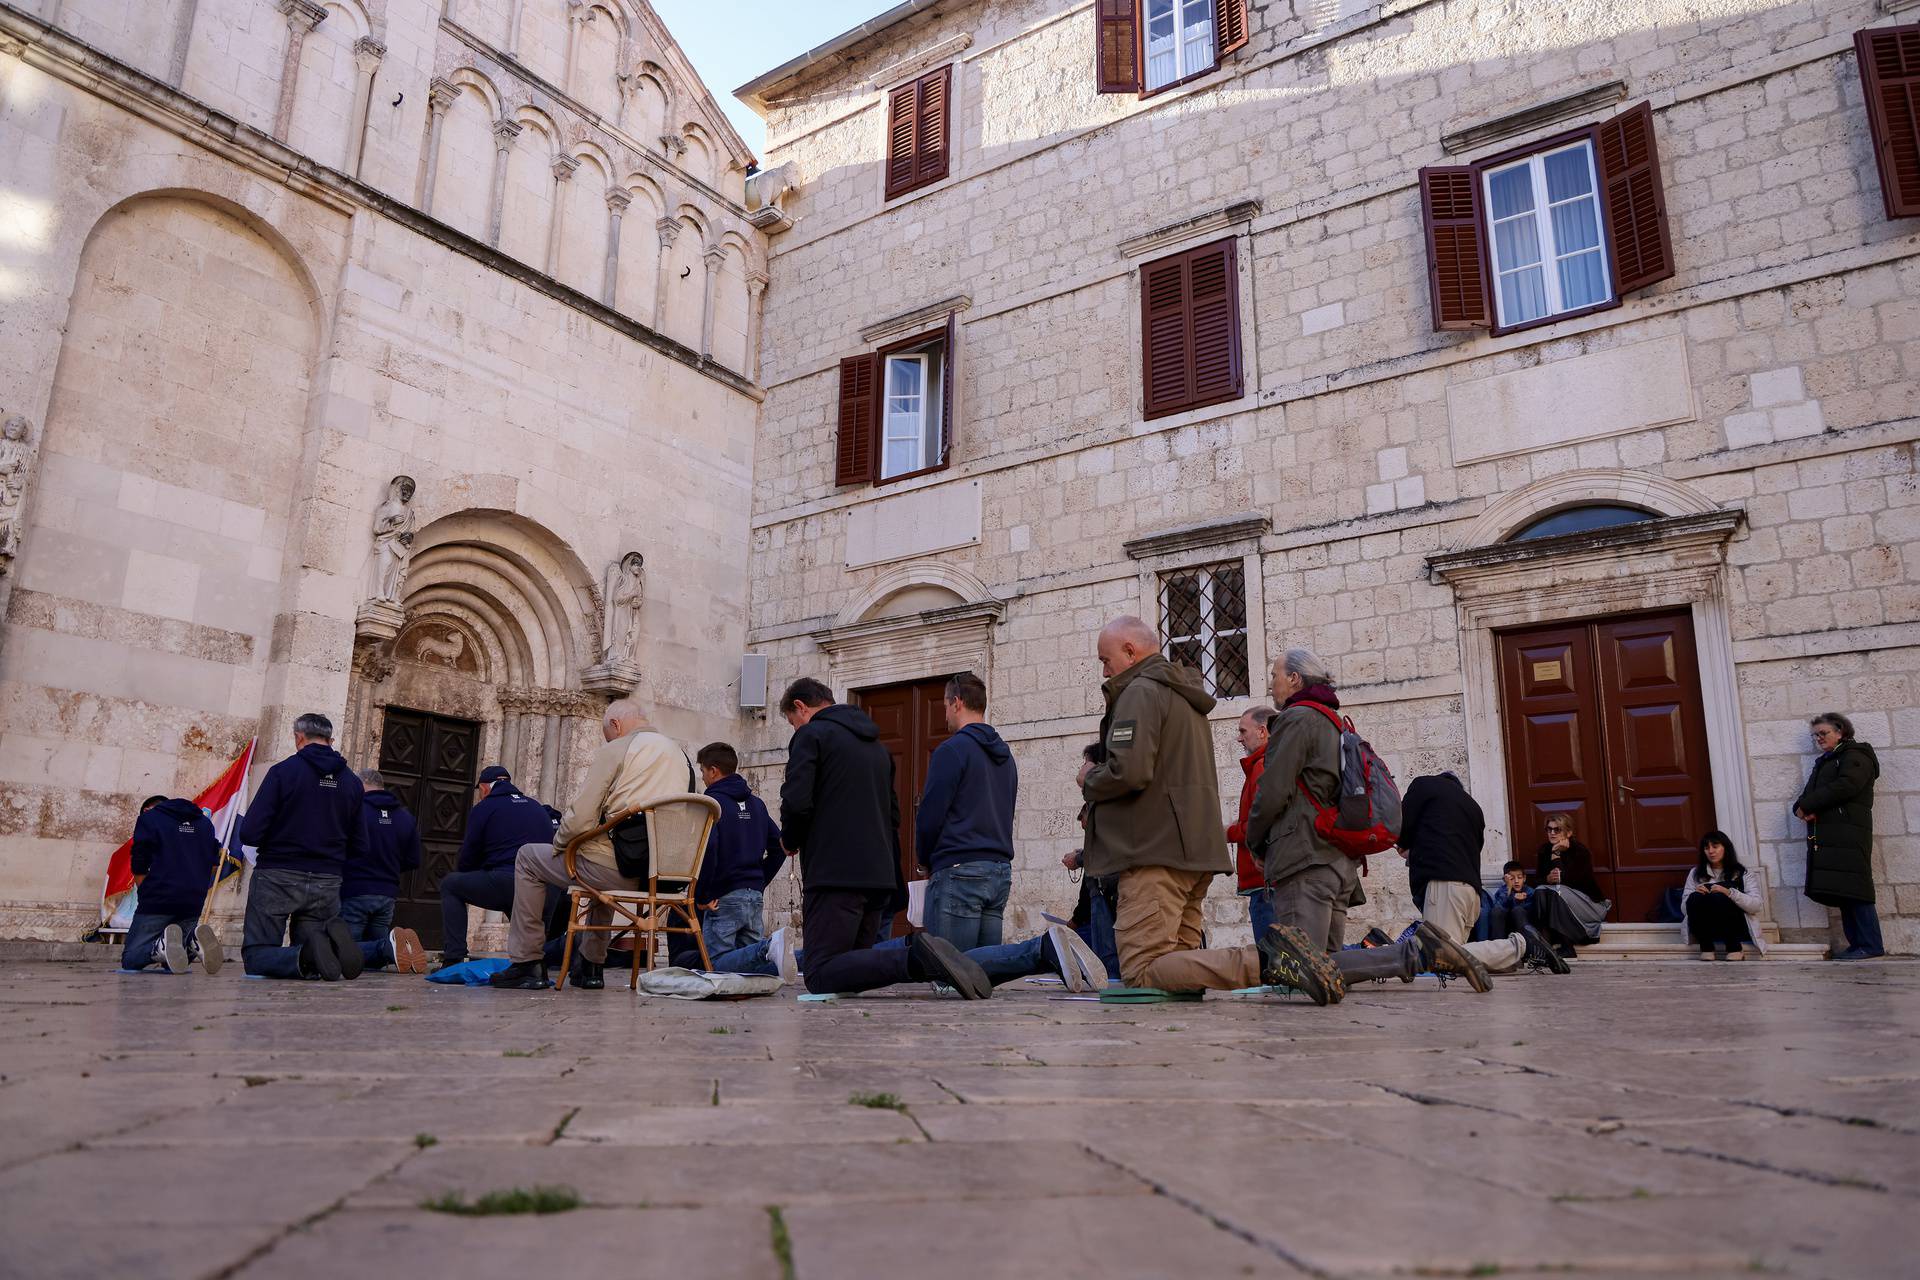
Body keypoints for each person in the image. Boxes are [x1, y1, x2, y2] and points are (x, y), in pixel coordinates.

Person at [1078, 617, 1337, 1003]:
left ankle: (1269, 961)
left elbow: (1128, 771)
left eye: (1106, 659)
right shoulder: (1183, 695)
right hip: (1193, 852)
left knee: (1141, 970)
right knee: (1178, 967)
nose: (1104, 670)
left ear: (1130, 651)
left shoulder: (1139, 691)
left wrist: (1089, 778)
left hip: (1154, 852)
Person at [1247, 647, 1492, 998]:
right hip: (1337, 861)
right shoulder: (1336, 722)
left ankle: (1419, 952)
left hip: (1303, 857)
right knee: (1325, 964)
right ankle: (1420, 952)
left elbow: (1272, 792)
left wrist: (1256, 842)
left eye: (1275, 675)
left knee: (1303, 964)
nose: (1271, 683)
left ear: (1295, 679)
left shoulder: (1297, 719)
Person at [776, 677, 989, 997]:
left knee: (819, 972)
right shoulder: (877, 747)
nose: (796, 729)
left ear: (801, 708)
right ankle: (913, 955)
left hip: (835, 875)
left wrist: (789, 839)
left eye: (793, 723)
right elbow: (893, 817)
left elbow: (796, 801)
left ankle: (916, 957)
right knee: (850, 970)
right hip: (877, 877)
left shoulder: (811, 735)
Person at [491, 700, 693, 990]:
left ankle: (527, 963)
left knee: (528, 858)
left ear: (616, 725)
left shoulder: (618, 748)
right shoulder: (682, 757)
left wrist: (561, 845)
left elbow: (580, 819)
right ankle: (590, 966)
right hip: (669, 877)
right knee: (600, 859)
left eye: (606, 734)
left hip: (622, 870)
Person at [236, 713, 368, 981]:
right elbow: (361, 843)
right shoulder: (353, 783)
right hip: (327, 879)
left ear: (299, 737)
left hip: (278, 874)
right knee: (314, 950)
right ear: (331, 740)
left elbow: (250, 831)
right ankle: (314, 951)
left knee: (258, 953)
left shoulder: (284, 772)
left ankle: (307, 955)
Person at [1398, 771, 1565, 975]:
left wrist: (1404, 845)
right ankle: (1508, 958)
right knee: (1453, 961)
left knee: (1440, 954)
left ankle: (1521, 946)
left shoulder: (1424, 785)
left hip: (1445, 886)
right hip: (1471, 893)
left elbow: (1402, 824)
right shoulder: (1473, 808)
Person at [916, 671, 1018, 949]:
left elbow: (930, 815)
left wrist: (924, 859)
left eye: (945, 706)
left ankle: (1039, 952)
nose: (945, 715)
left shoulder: (952, 750)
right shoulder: (1005, 756)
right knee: (982, 973)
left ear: (957, 702)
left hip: (959, 868)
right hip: (998, 870)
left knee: (950, 970)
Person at [439, 765, 555, 969]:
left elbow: (468, 857)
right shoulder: (537, 807)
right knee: (517, 898)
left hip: (505, 882)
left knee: (451, 885)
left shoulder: (484, 808)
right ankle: (533, 962)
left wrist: (480, 871)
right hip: (542, 888)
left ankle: (453, 957)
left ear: (484, 789)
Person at [686, 741, 786, 968]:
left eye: (702, 771)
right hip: (754, 896)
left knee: (716, 964)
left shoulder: (713, 805)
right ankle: (784, 955)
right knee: (750, 967)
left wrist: (702, 896)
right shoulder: (758, 805)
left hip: (724, 896)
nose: (702, 777)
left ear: (714, 770)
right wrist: (758, 881)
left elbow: (709, 849)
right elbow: (779, 848)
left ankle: (769, 948)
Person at [1795, 712, 1884, 960]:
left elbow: (1847, 785)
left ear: (1841, 731)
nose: (1819, 739)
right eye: (1816, 736)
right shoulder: (1825, 760)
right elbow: (1809, 793)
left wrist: (1809, 804)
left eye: (1823, 733)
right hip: (1831, 833)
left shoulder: (1855, 755)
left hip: (1848, 831)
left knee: (1857, 888)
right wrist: (1800, 808)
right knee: (1844, 890)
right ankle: (1857, 945)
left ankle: (1871, 945)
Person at [120, 795, 223, 974]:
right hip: (193, 899)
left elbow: (139, 862)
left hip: (159, 897)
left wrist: (145, 893)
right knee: (173, 961)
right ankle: (191, 945)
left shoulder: (149, 819)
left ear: (148, 809)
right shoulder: (205, 823)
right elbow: (214, 864)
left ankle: (159, 948)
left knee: (131, 958)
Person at [339, 769, 427, 973]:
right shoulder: (405, 817)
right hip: (387, 893)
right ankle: (394, 949)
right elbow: (414, 859)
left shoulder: (354, 811)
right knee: (372, 962)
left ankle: (389, 948)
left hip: (354, 889)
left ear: (361, 786)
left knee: (346, 952)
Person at [1225, 706, 1277, 939]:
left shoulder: (1262, 766)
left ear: (1262, 731)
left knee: (1273, 962)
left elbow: (1263, 824)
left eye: (1243, 731)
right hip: (1265, 881)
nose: (1239, 738)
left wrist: (1228, 832)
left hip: (1265, 882)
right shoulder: (1265, 765)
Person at [1529, 814, 1607, 956]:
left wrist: (1556, 855)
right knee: (1541, 890)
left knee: (1555, 891)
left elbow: (1568, 880)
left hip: (1588, 905)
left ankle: (1567, 946)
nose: (1552, 833)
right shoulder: (1544, 850)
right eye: (1549, 829)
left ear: (1568, 833)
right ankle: (1543, 946)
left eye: (1557, 829)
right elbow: (1536, 881)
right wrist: (1547, 878)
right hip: (1560, 899)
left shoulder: (1580, 851)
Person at [1682, 830, 1766, 960]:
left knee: (1719, 897)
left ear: (1725, 848)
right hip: (1707, 927)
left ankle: (1734, 948)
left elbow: (1756, 906)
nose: (1710, 851)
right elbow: (1684, 909)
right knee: (1694, 897)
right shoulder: (1695, 873)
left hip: (1736, 926)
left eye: (1715, 847)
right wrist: (1695, 893)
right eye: (1706, 848)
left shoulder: (1742, 872)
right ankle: (1706, 948)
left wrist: (1730, 892)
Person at [1489, 862, 1533, 938]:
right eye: (1512, 878)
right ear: (1505, 879)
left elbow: (1532, 912)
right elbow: (1497, 907)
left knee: (1518, 910)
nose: (1516, 881)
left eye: (1519, 877)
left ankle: (1525, 944)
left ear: (1524, 878)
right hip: (1504, 925)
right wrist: (1508, 889)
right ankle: (1499, 945)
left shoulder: (1529, 891)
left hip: (1522, 924)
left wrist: (1519, 902)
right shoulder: (1502, 890)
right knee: (1497, 910)